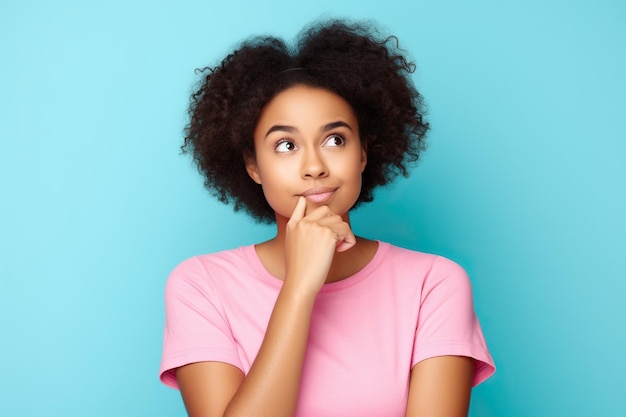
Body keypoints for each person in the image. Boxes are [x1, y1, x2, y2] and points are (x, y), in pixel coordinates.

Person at [159, 18, 495, 417]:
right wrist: (299, 288)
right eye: (285, 145)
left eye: (335, 139)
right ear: (253, 166)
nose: (314, 166)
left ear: (363, 154)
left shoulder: (433, 286)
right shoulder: (201, 286)